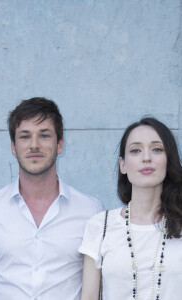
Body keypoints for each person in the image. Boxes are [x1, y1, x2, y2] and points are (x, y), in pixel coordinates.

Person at [0, 97, 103, 300]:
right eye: (25, 137)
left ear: (60, 144)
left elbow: (97, 287)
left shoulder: (91, 211)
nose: (34, 145)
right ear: (13, 146)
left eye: (44, 136)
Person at [79, 117, 182, 300]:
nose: (146, 157)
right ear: (123, 165)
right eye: (135, 150)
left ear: (168, 160)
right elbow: (88, 297)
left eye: (157, 149)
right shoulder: (100, 226)